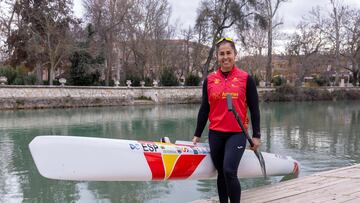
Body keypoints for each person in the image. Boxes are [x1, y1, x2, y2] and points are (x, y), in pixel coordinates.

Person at [192, 37, 261, 203]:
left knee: (230, 170)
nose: (225, 57)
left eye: (228, 53)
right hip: (215, 134)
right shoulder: (209, 80)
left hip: (237, 133)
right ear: (217, 57)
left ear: (235, 55)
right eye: (221, 54)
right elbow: (204, 108)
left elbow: (254, 108)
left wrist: (256, 135)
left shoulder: (246, 79)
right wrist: (197, 134)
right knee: (221, 174)